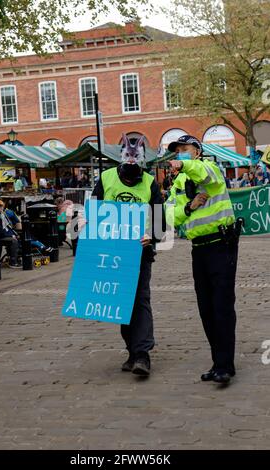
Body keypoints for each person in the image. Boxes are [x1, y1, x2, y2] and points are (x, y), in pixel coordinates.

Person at [165, 134, 239, 385]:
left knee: (222, 305)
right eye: (177, 152)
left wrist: (184, 165)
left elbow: (205, 176)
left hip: (221, 245)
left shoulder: (210, 168)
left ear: (197, 151)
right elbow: (170, 217)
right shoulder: (179, 182)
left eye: (185, 149)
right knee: (206, 308)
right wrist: (189, 206)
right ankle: (219, 361)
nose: (180, 154)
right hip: (199, 249)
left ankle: (224, 365)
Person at [91, 134, 166, 377]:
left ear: (143, 160)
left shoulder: (150, 183)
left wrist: (152, 237)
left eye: (137, 158)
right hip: (113, 252)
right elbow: (93, 213)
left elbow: (159, 221)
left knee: (141, 299)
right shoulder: (106, 179)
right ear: (121, 156)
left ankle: (143, 354)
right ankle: (132, 352)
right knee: (123, 303)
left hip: (140, 251)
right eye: (128, 157)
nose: (132, 162)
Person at [0, 199, 21, 268]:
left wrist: (13, 234)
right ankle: (13, 262)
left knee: (14, 239)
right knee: (14, 241)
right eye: (2, 207)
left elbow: (5, 227)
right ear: (0, 207)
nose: (3, 209)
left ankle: (13, 259)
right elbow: (0, 230)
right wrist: (10, 235)